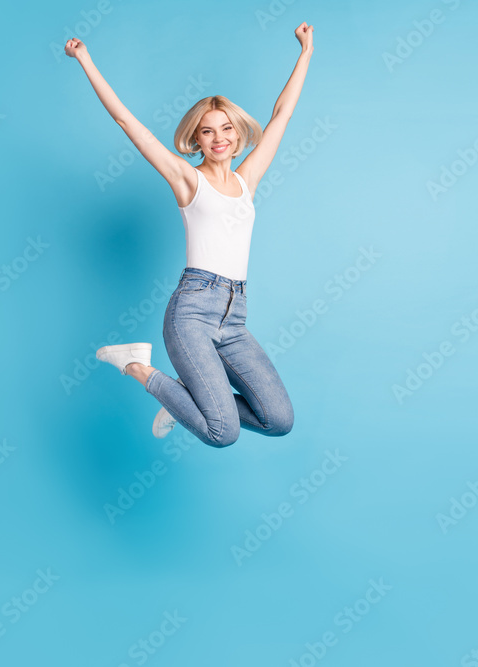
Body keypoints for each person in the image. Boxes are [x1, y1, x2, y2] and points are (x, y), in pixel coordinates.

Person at [65, 23, 314, 447]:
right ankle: (139, 368)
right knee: (223, 433)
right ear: (196, 139)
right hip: (193, 311)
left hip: (234, 317)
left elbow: (282, 115)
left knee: (279, 419)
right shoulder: (187, 180)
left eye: (226, 128)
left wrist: (305, 51)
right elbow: (128, 122)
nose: (219, 138)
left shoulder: (246, 180)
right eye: (207, 130)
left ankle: (183, 397)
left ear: (238, 134)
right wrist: (85, 58)